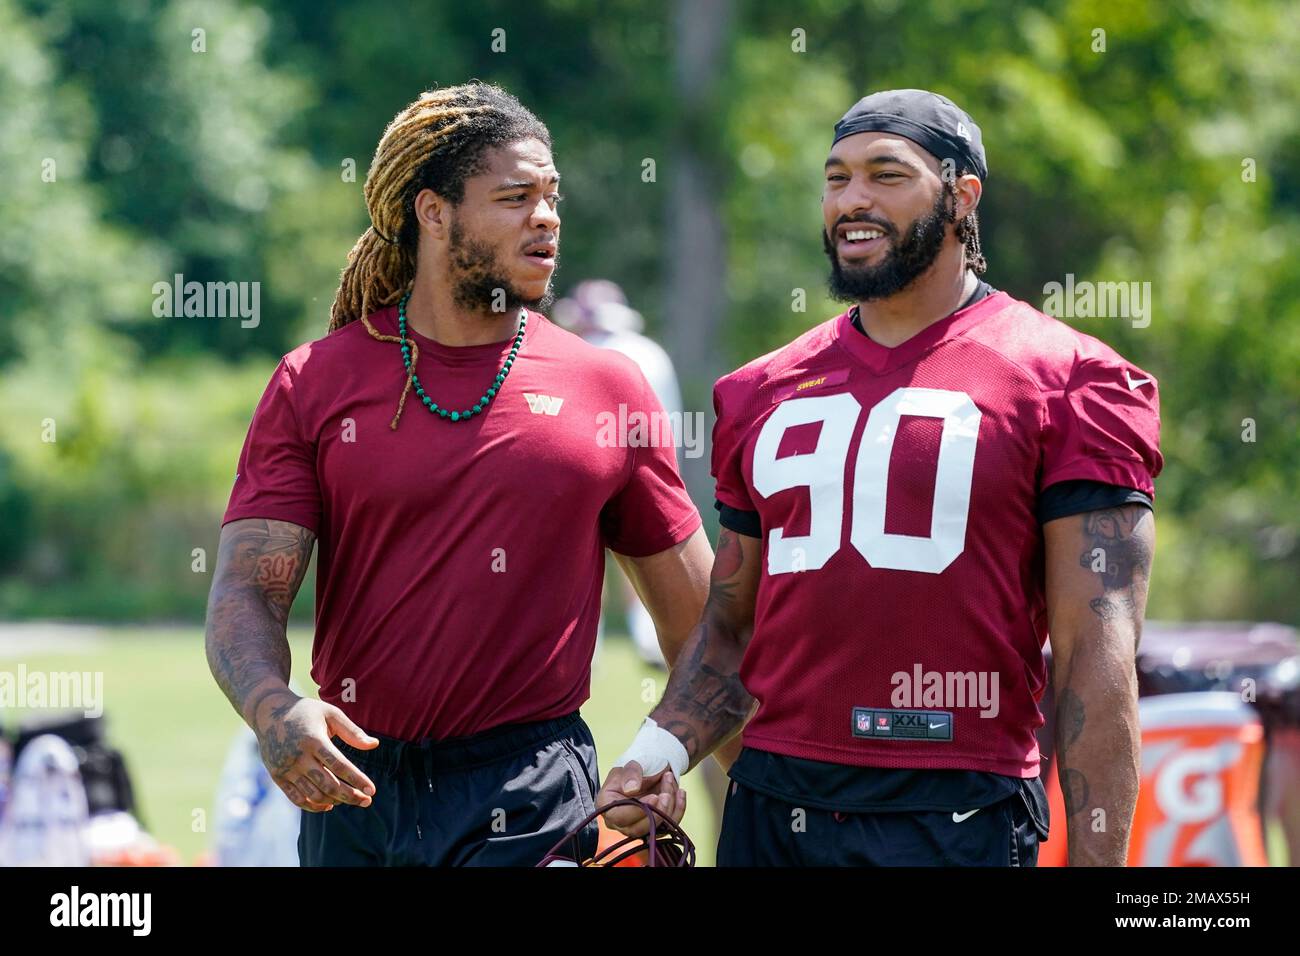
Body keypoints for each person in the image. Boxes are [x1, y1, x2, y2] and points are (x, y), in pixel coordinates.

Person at [599, 89, 1163, 866]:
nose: (852, 200)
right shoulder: (760, 391)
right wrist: (657, 754)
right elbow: (730, 632)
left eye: (886, 174)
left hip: (957, 811)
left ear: (963, 196)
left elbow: (1094, 659)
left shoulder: (1072, 380)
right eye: (836, 178)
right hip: (774, 810)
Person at [204, 82, 710, 867]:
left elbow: (703, 626)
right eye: (515, 197)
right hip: (354, 792)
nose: (546, 217)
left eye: (551, 196)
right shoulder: (315, 381)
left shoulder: (608, 389)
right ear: (433, 213)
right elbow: (246, 589)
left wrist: (673, 762)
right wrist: (275, 711)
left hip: (534, 791)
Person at [553, 280, 685, 668]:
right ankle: (648, 640)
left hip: (597, 468)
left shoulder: (598, 353)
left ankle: (586, 650)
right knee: (645, 560)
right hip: (654, 468)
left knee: (582, 563)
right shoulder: (651, 352)